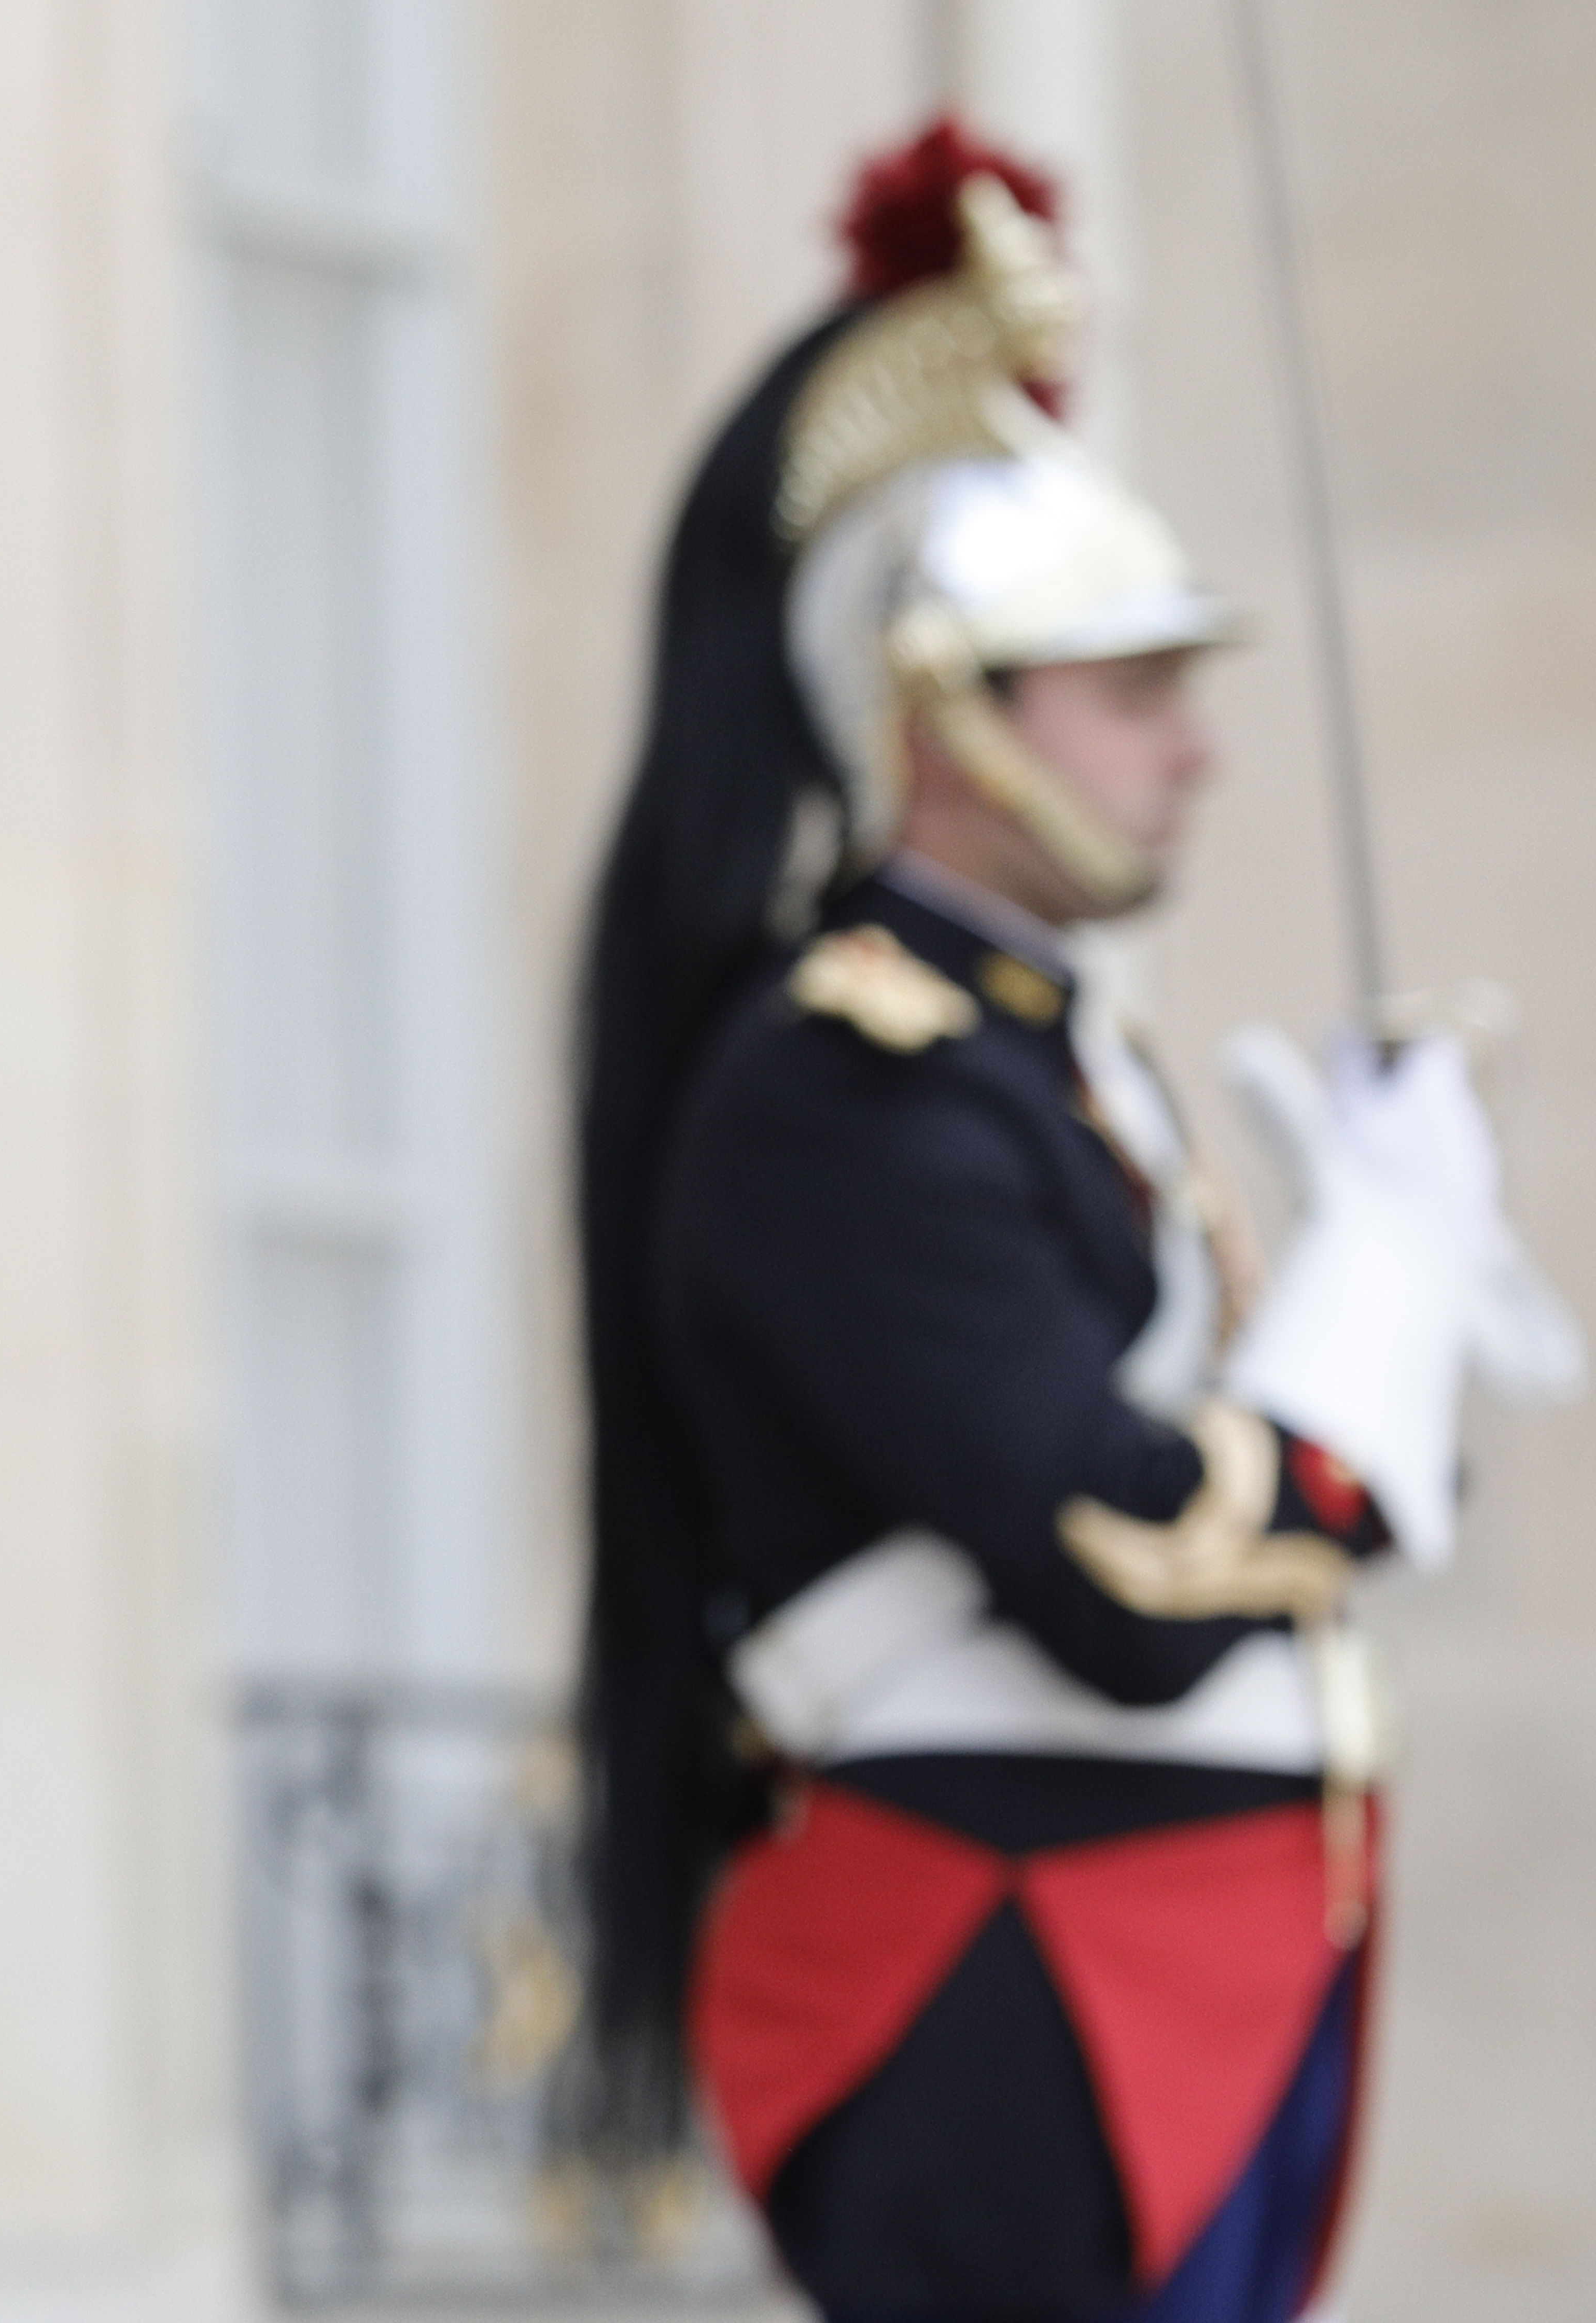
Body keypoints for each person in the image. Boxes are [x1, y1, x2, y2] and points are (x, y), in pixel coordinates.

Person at [567, 120, 1577, 2320]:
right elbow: (1128, 1572)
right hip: (1006, 1971)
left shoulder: (1046, 1056)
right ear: (941, 722)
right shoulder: (843, 1082)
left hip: (1173, 1939)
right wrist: (1376, 1294)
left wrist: (1382, 1312)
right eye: (1132, 698)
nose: (1192, 756)